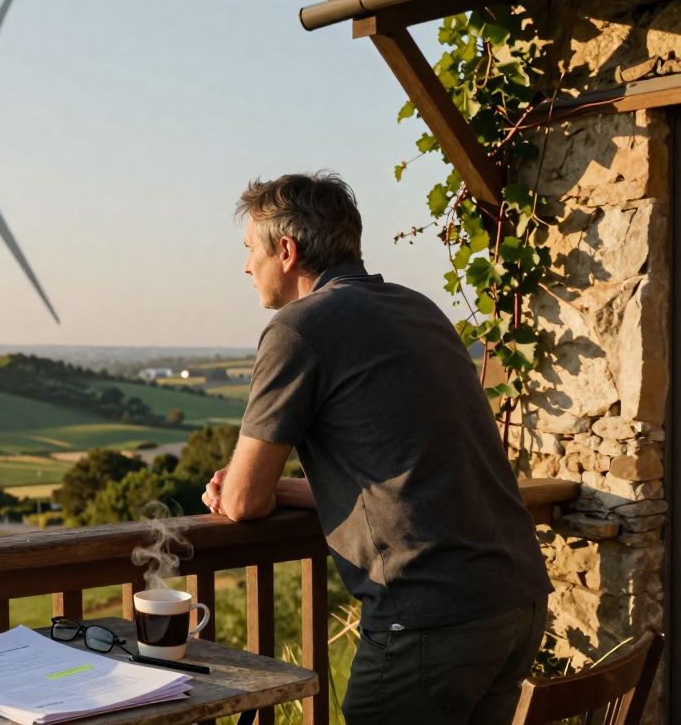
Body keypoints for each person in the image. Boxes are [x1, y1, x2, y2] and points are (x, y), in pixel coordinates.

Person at [203, 172, 551, 725]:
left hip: (430, 615)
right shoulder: (418, 309)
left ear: (286, 252)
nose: (246, 267)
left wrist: (246, 490)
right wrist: (280, 491)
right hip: (516, 598)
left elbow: (242, 502)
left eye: (250, 250)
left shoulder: (299, 328)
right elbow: (402, 477)